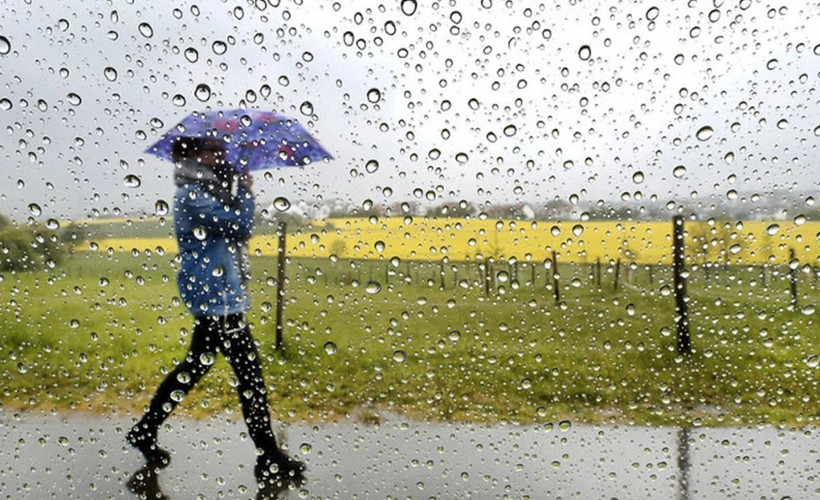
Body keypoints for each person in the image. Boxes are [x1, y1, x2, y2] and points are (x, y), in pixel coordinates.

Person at [126, 137, 304, 488]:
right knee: (249, 376)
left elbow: (229, 233)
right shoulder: (192, 195)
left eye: (222, 151)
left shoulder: (208, 191)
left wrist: (235, 187)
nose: (222, 156)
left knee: (195, 366)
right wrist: (247, 191)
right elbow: (239, 227)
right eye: (214, 151)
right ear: (194, 156)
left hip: (220, 295)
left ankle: (145, 429)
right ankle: (269, 455)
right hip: (215, 298)